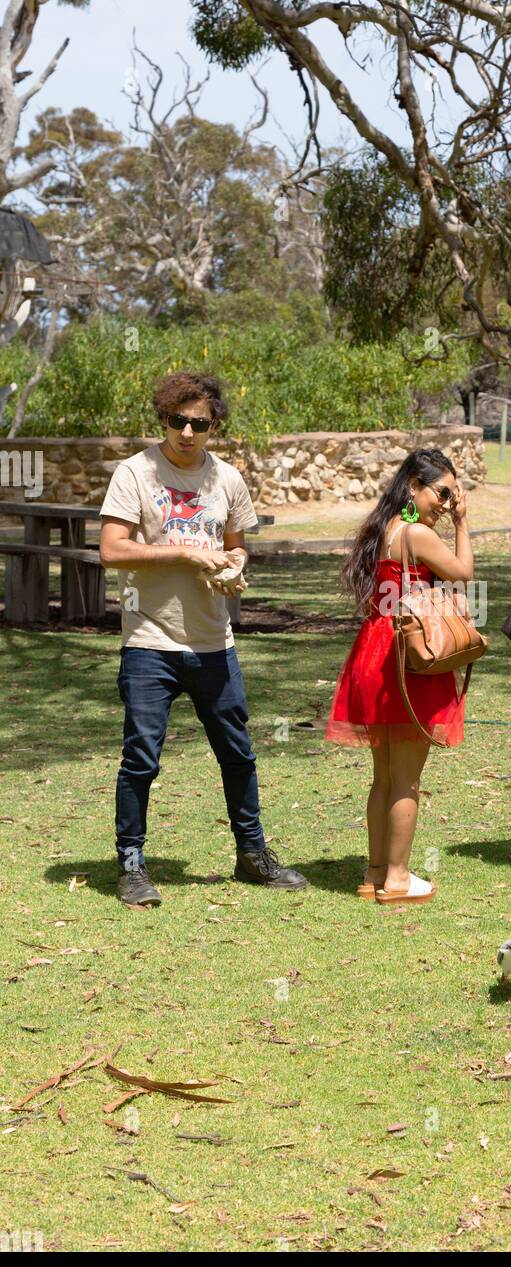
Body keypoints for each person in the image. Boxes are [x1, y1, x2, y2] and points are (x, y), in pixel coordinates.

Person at [99, 370, 308, 907]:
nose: (187, 433)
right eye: (178, 421)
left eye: (199, 423)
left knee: (238, 755)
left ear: (214, 425)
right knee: (141, 757)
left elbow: (238, 546)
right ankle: (131, 863)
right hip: (150, 640)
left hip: (216, 642)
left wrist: (234, 565)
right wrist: (187, 553)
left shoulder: (227, 480)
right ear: (163, 419)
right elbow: (113, 550)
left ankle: (252, 854)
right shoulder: (135, 473)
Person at [325, 449, 473, 905]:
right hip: (408, 658)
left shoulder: (383, 528)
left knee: (384, 778)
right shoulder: (419, 534)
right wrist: (463, 524)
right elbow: (464, 573)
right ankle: (398, 878)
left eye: (453, 496)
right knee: (406, 781)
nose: (447, 503)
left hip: (373, 651)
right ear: (414, 487)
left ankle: (373, 873)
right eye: (442, 492)